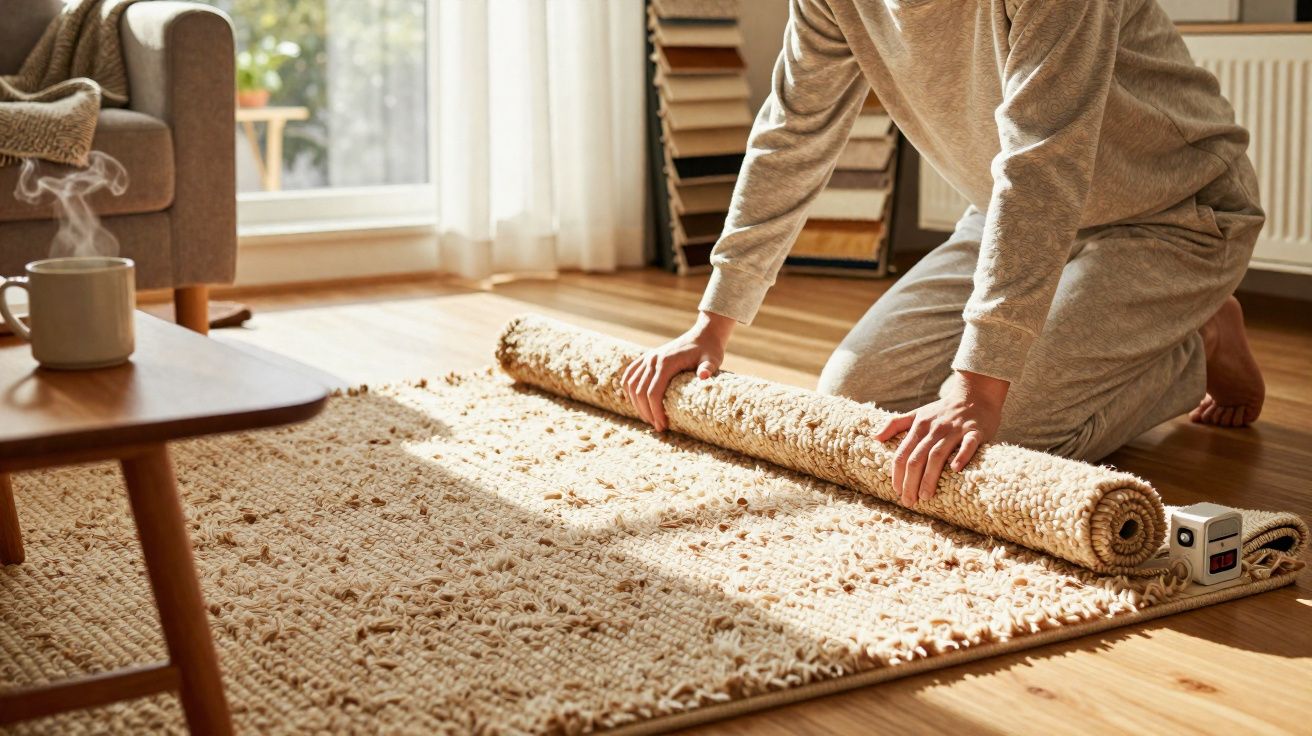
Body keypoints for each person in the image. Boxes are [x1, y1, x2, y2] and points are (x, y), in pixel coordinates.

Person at [623, 0, 1266, 508]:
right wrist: (712, 324)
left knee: (999, 433)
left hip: (1172, 213)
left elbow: (1043, 163)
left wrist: (977, 388)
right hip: (1003, 218)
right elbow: (791, 134)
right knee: (857, 399)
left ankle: (1195, 337)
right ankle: (1156, 319)